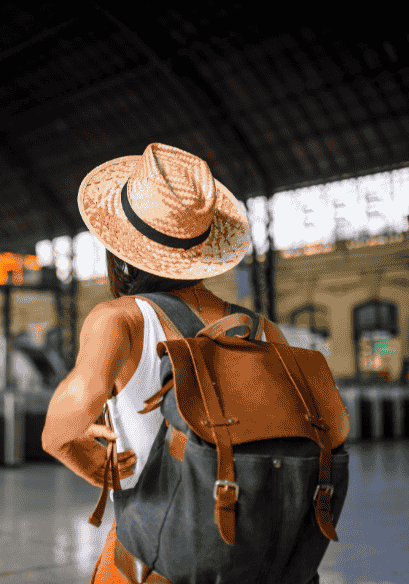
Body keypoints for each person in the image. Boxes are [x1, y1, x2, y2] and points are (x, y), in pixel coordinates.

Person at [41, 143, 254, 583]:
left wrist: (88, 459)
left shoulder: (119, 320)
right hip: (253, 552)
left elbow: (58, 431)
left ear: (120, 249)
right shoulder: (260, 328)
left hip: (159, 552)